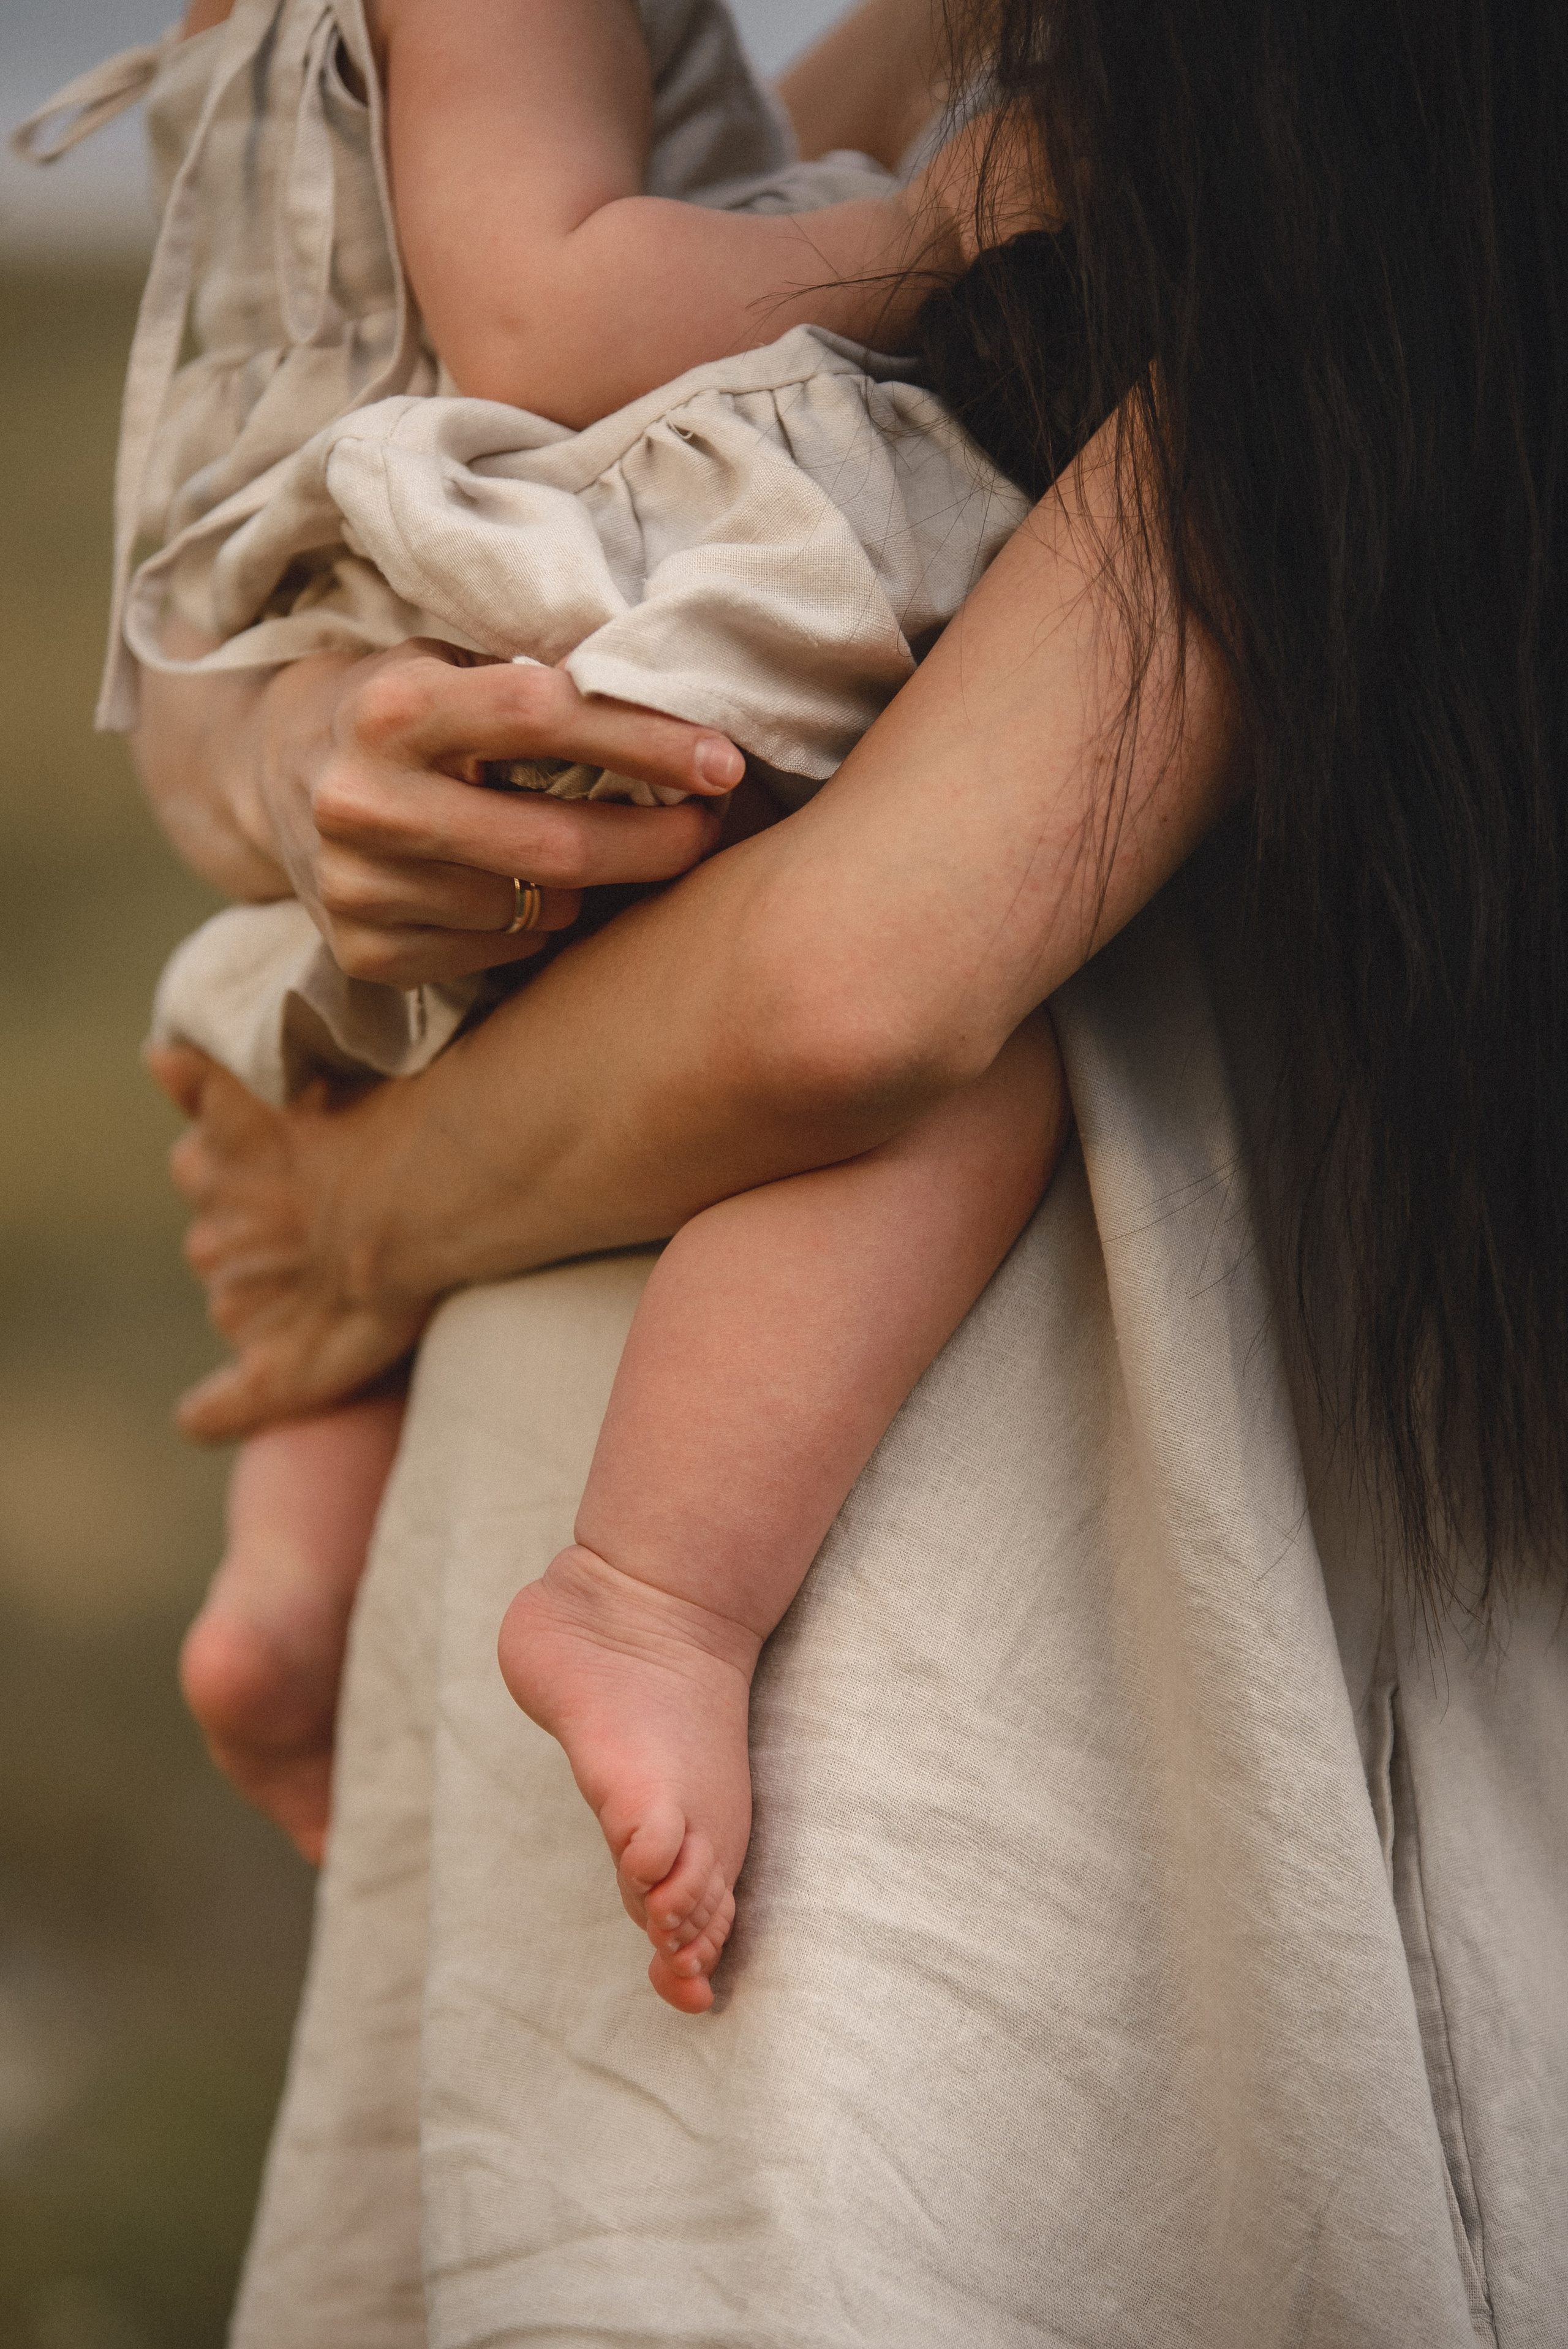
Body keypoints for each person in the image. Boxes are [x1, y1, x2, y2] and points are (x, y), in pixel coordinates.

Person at [118, 0, 1568, 2335]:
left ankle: (327, 1568)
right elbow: (865, 986)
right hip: (871, 1570)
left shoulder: (1368, 111)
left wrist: (357, 1220)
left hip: (748, 1455)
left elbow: (860, 968)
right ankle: (610, 1595)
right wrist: (301, 757)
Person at [21, 0, 1058, 2003]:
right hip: (580, 568)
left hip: (420, 579)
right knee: (965, 1054)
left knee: (439, 1031)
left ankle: (289, 1579)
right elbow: (548, 311)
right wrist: (936, 235)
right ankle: (651, 1596)